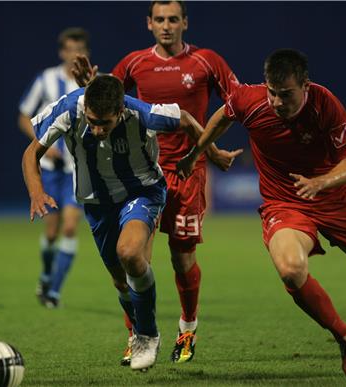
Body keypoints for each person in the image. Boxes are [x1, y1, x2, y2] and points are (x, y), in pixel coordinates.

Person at [177, 48, 346, 378]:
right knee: (290, 269)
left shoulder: (325, 104)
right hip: (285, 203)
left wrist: (321, 182)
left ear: (305, 86)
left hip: (336, 199)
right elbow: (223, 115)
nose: (276, 102)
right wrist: (201, 151)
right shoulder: (250, 99)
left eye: (285, 95)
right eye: (272, 92)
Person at [22, 75, 238, 371]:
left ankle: (147, 335)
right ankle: (139, 330)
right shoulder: (69, 109)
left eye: (105, 123)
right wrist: (36, 192)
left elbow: (186, 119)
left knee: (130, 253)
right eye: (93, 121)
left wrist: (208, 153)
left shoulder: (142, 114)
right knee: (120, 280)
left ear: (120, 111)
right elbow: (31, 153)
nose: (97, 130)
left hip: (143, 192)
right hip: (97, 203)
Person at [72, 0, 240, 365]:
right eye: (160, 19)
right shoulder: (135, 62)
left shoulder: (207, 61)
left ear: (185, 23)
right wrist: (89, 83)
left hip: (185, 171)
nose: (166, 25)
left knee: (182, 259)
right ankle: (138, 336)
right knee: (134, 258)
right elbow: (107, 97)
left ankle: (187, 329)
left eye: (173, 19)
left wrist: (208, 150)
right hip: (141, 174)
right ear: (149, 23)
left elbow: (236, 102)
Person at [18, 27, 90, 308]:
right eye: (69, 49)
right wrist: (43, 143)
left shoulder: (90, 83)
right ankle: (47, 274)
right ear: (62, 52)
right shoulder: (46, 79)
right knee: (51, 231)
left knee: (70, 228)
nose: (74, 54)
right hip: (49, 167)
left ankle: (54, 292)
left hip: (77, 168)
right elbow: (24, 115)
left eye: (79, 49)